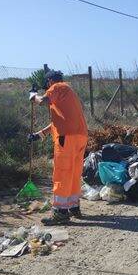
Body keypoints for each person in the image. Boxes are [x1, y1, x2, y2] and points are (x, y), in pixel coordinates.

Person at [28, 70, 88, 225]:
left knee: (62, 173)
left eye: (46, 85)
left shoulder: (56, 87)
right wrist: (39, 134)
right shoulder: (69, 92)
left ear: (49, 81)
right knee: (74, 172)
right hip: (80, 136)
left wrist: (33, 96)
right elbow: (60, 120)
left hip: (66, 138)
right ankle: (74, 207)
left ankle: (60, 212)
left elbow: (42, 101)